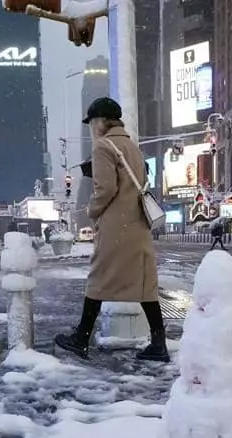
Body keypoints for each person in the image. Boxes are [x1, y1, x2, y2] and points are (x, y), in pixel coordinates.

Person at [54, 97, 168, 362]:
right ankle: (158, 343)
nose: (91, 127)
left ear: (102, 121)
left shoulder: (103, 146)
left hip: (116, 227)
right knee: (144, 284)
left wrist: (92, 211)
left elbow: (105, 189)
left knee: (98, 279)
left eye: (92, 121)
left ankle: (81, 337)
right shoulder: (132, 147)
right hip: (138, 225)